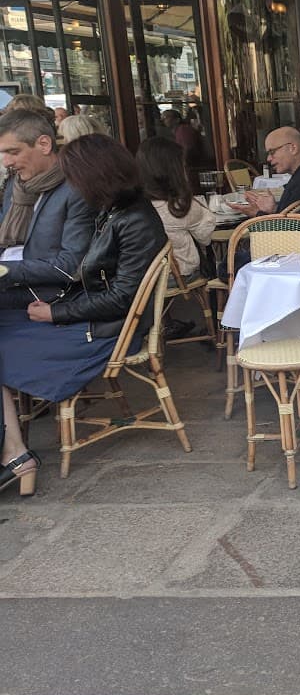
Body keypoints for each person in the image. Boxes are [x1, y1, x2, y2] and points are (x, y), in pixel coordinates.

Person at [0, 133, 167, 497]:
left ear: (94, 175)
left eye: (73, 176)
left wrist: (57, 312)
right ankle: (13, 451)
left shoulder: (134, 219)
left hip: (107, 333)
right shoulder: (116, 210)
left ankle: (14, 454)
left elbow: (122, 299)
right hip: (97, 322)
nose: (70, 185)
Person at [0, 109, 95, 307]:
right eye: (2, 153)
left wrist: (6, 270)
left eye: (13, 152)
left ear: (44, 144)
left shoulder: (76, 189)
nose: (6, 162)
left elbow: (70, 266)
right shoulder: (15, 185)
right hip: (10, 283)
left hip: (46, 294)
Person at [136, 136, 216, 280]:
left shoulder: (135, 205)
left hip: (142, 279)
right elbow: (206, 236)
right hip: (177, 276)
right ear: (174, 171)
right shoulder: (179, 207)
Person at [232, 126, 300, 217]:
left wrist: (257, 214)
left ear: (292, 148)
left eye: (272, 152)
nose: (268, 158)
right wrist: (273, 209)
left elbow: (287, 225)